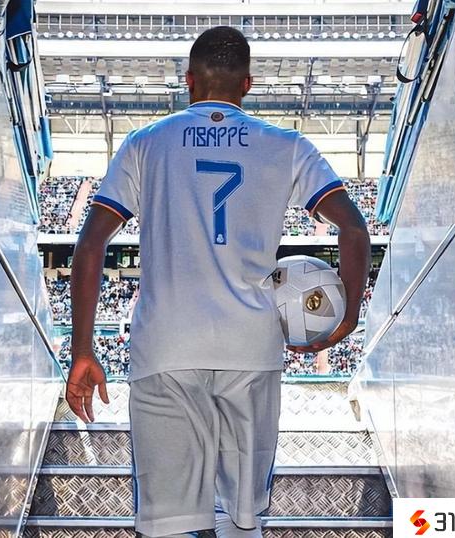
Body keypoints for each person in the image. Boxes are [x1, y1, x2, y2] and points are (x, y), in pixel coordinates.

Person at [66, 26, 370, 538]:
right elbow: (353, 228)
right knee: (240, 518)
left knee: (166, 523)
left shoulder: (144, 144)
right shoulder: (288, 146)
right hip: (250, 350)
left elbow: (91, 243)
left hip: (165, 349)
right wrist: (349, 314)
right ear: (247, 84)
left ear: (188, 79)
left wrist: (82, 349)